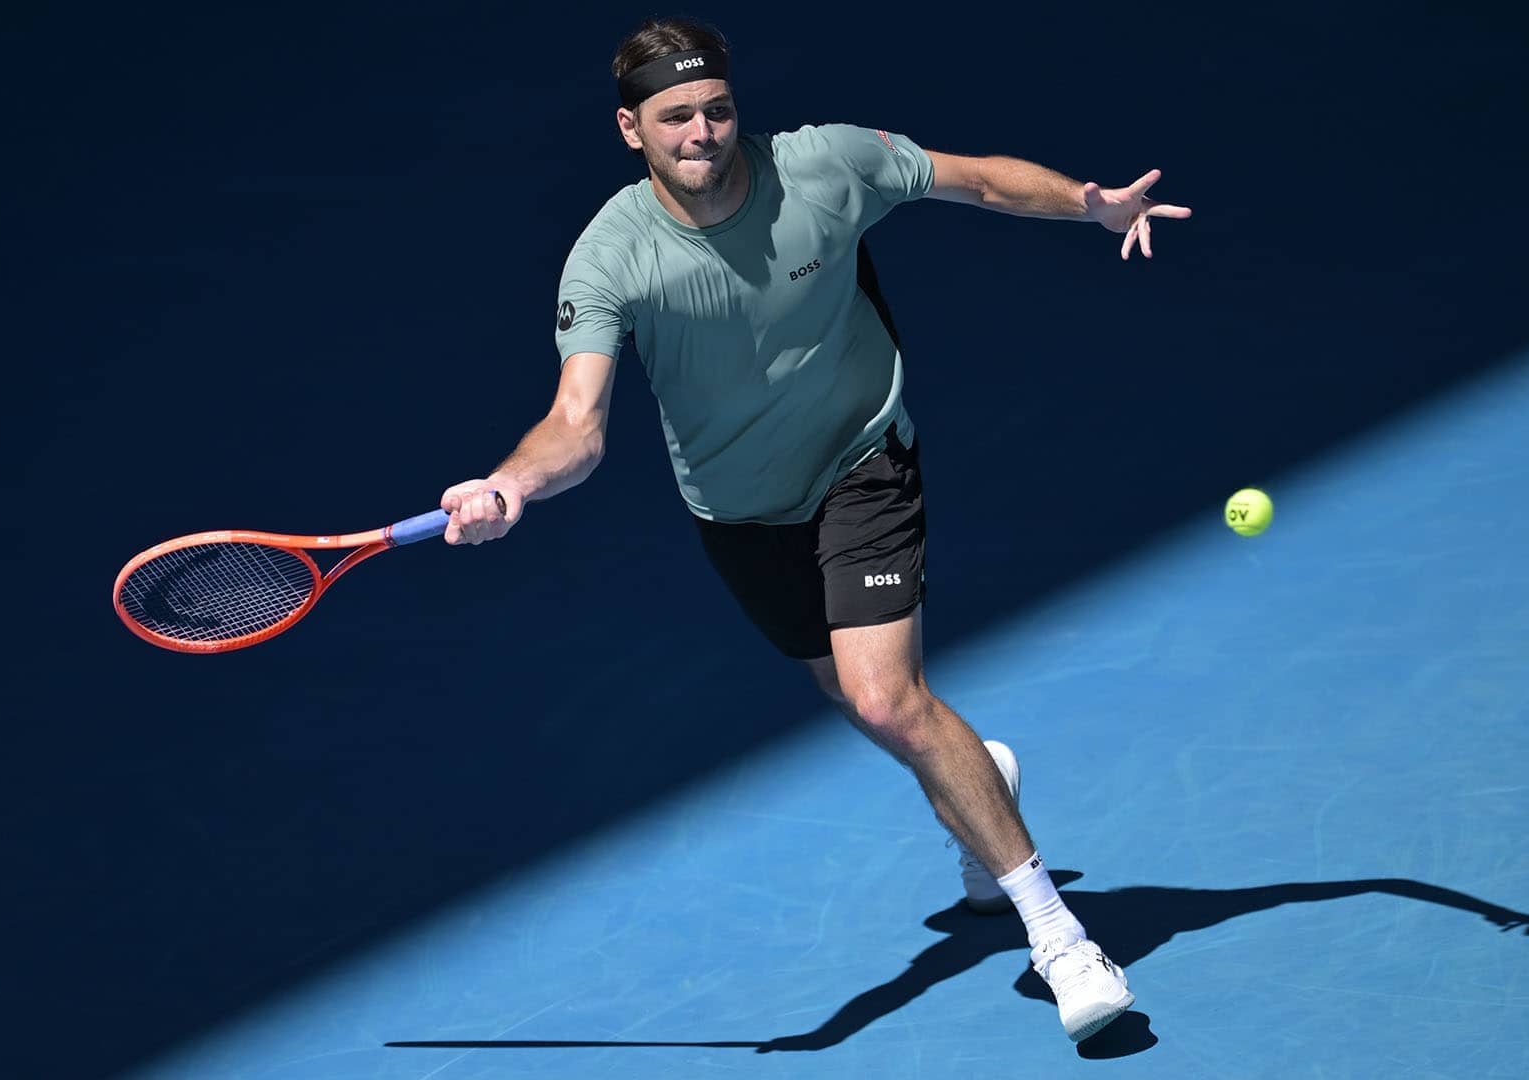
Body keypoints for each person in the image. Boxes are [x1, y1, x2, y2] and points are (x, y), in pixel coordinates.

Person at [439, 16, 1190, 1045]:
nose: (701, 133)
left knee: (887, 699)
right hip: (739, 510)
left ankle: (1059, 938)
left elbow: (975, 180)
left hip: (861, 459)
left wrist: (1090, 205)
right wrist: (509, 484)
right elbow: (577, 424)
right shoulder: (610, 257)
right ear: (630, 129)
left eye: (716, 109)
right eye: (674, 116)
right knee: (854, 696)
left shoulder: (826, 165)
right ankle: (981, 784)